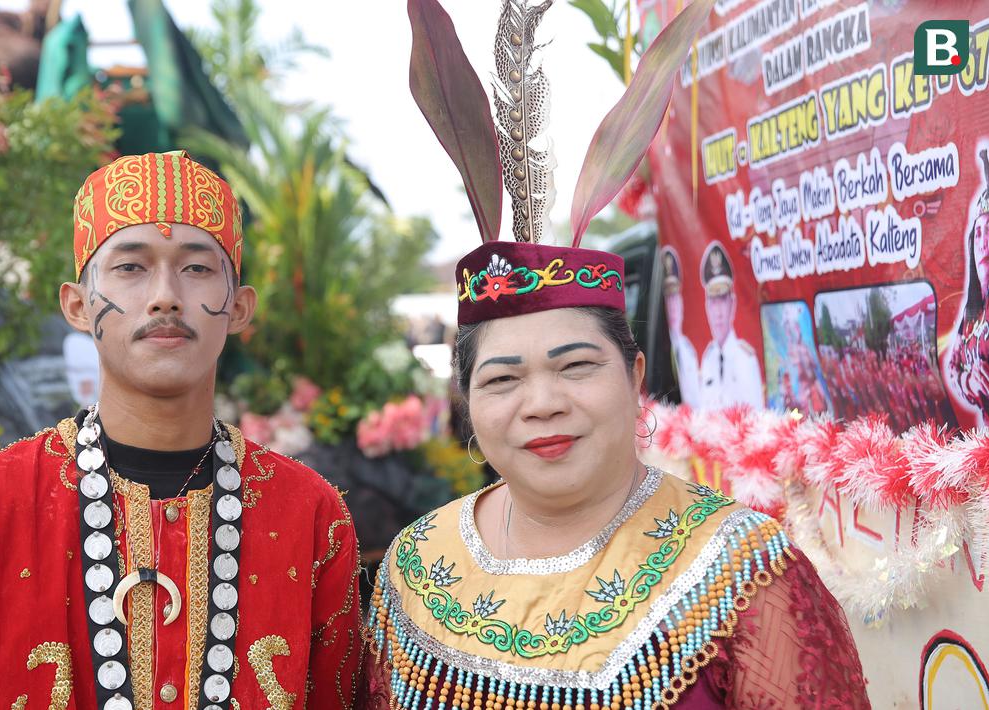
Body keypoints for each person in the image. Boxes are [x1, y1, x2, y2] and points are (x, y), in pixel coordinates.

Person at [359, 1, 870, 707]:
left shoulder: (740, 569)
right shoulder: (416, 568)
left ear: (634, 378)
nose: (542, 402)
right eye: (503, 377)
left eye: (574, 366)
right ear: (468, 405)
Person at [0, 151, 363, 710]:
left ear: (237, 308)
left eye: (196, 268)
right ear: (76, 304)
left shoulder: (311, 516)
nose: (165, 295)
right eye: (130, 268)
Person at [948, 149, 989, 425]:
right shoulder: (971, 313)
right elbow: (952, 367)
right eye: (979, 232)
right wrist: (968, 379)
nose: (984, 242)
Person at [698, 241, 765, 409]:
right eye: (713, 302)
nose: (718, 312)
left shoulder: (746, 358)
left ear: (732, 304)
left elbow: (755, 419)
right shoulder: (708, 359)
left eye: (722, 300)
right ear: (706, 307)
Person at [660, 246, 701, 406]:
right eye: (668, 295)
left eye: (676, 294)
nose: (673, 304)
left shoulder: (691, 350)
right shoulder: (666, 343)